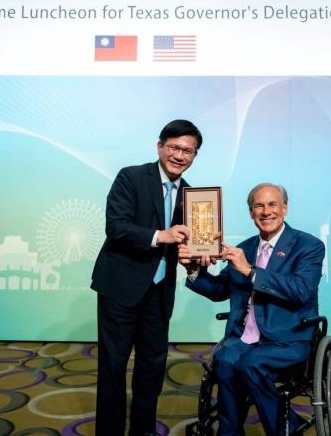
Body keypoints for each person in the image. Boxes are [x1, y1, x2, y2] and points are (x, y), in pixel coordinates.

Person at [178, 183, 325, 436]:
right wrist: (192, 269)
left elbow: (301, 290)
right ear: (251, 212)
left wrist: (250, 271)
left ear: (284, 209)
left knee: (250, 364)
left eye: (272, 204)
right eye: (259, 205)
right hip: (245, 337)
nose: (266, 211)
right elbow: (218, 291)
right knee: (224, 361)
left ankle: (283, 430)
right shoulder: (244, 248)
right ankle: (230, 432)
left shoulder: (308, 245)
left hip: (287, 339)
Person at [91, 119, 203, 436]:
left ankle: (143, 431)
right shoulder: (131, 177)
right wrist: (161, 236)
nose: (180, 155)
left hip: (159, 292)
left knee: (152, 367)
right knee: (113, 366)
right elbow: (116, 226)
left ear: (194, 156)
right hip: (120, 288)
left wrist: (200, 256)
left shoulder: (194, 196)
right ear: (160, 146)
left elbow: (193, 244)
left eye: (188, 151)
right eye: (174, 147)